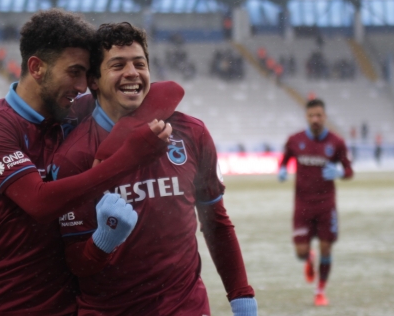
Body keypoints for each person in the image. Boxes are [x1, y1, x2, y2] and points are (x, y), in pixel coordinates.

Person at [0, 10, 174, 316]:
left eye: (87, 74)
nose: (83, 86)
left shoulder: (73, 113)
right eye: (74, 72)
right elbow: (39, 202)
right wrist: (129, 159)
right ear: (37, 68)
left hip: (65, 306)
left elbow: (166, 92)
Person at [52, 22, 257, 316]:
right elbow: (74, 264)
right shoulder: (75, 155)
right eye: (118, 65)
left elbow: (216, 223)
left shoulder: (191, 132)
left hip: (186, 308)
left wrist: (241, 297)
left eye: (140, 64)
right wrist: (103, 241)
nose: (132, 73)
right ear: (94, 80)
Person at [277, 98, 353, 306]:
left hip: (326, 205)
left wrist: (340, 172)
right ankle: (309, 257)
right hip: (302, 205)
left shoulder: (336, 142)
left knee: (326, 248)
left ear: (325, 116)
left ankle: (320, 290)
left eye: (319, 115)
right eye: (312, 116)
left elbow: (349, 170)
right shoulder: (295, 140)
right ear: (306, 117)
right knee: (301, 253)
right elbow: (285, 159)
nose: (315, 119)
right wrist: (282, 169)